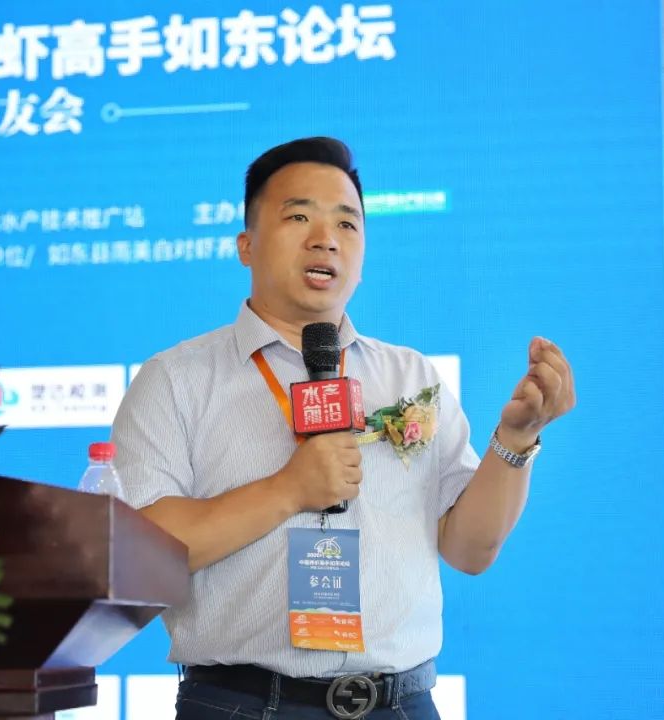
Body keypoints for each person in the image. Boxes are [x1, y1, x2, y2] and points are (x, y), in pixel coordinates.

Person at [111, 137, 575, 720]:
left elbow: (469, 550)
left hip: (399, 703)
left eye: (347, 224)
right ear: (246, 245)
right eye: (298, 216)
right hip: (241, 704)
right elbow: (139, 556)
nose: (325, 238)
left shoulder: (410, 376)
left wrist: (516, 440)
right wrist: (288, 490)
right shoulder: (177, 379)